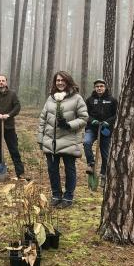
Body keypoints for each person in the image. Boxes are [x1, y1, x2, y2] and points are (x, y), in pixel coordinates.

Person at [37, 71, 88, 208]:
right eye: (57, 80)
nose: (59, 82)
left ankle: (68, 197)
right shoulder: (51, 98)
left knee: (69, 169)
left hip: (68, 140)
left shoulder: (77, 98)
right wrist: (40, 138)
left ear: (68, 81)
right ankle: (56, 195)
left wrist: (69, 125)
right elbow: (43, 119)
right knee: (52, 169)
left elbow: (84, 118)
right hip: (50, 141)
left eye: (62, 80)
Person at [0, 75, 26, 180]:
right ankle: (0, 173)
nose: (1, 82)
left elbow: (17, 106)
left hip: (9, 127)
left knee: (14, 150)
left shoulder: (12, 95)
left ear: (6, 83)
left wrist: (9, 115)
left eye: (3, 81)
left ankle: (20, 173)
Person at [83, 78, 118, 187]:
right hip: (92, 128)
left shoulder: (112, 100)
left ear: (105, 87)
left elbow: (116, 114)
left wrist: (108, 122)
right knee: (86, 142)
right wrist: (91, 120)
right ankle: (91, 163)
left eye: (101, 86)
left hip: (105, 130)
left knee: (105, 154)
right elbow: (84, 113)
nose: (99, 88)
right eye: (97, 86)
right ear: (95, 88)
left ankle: (103, 175)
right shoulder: (89, 100)